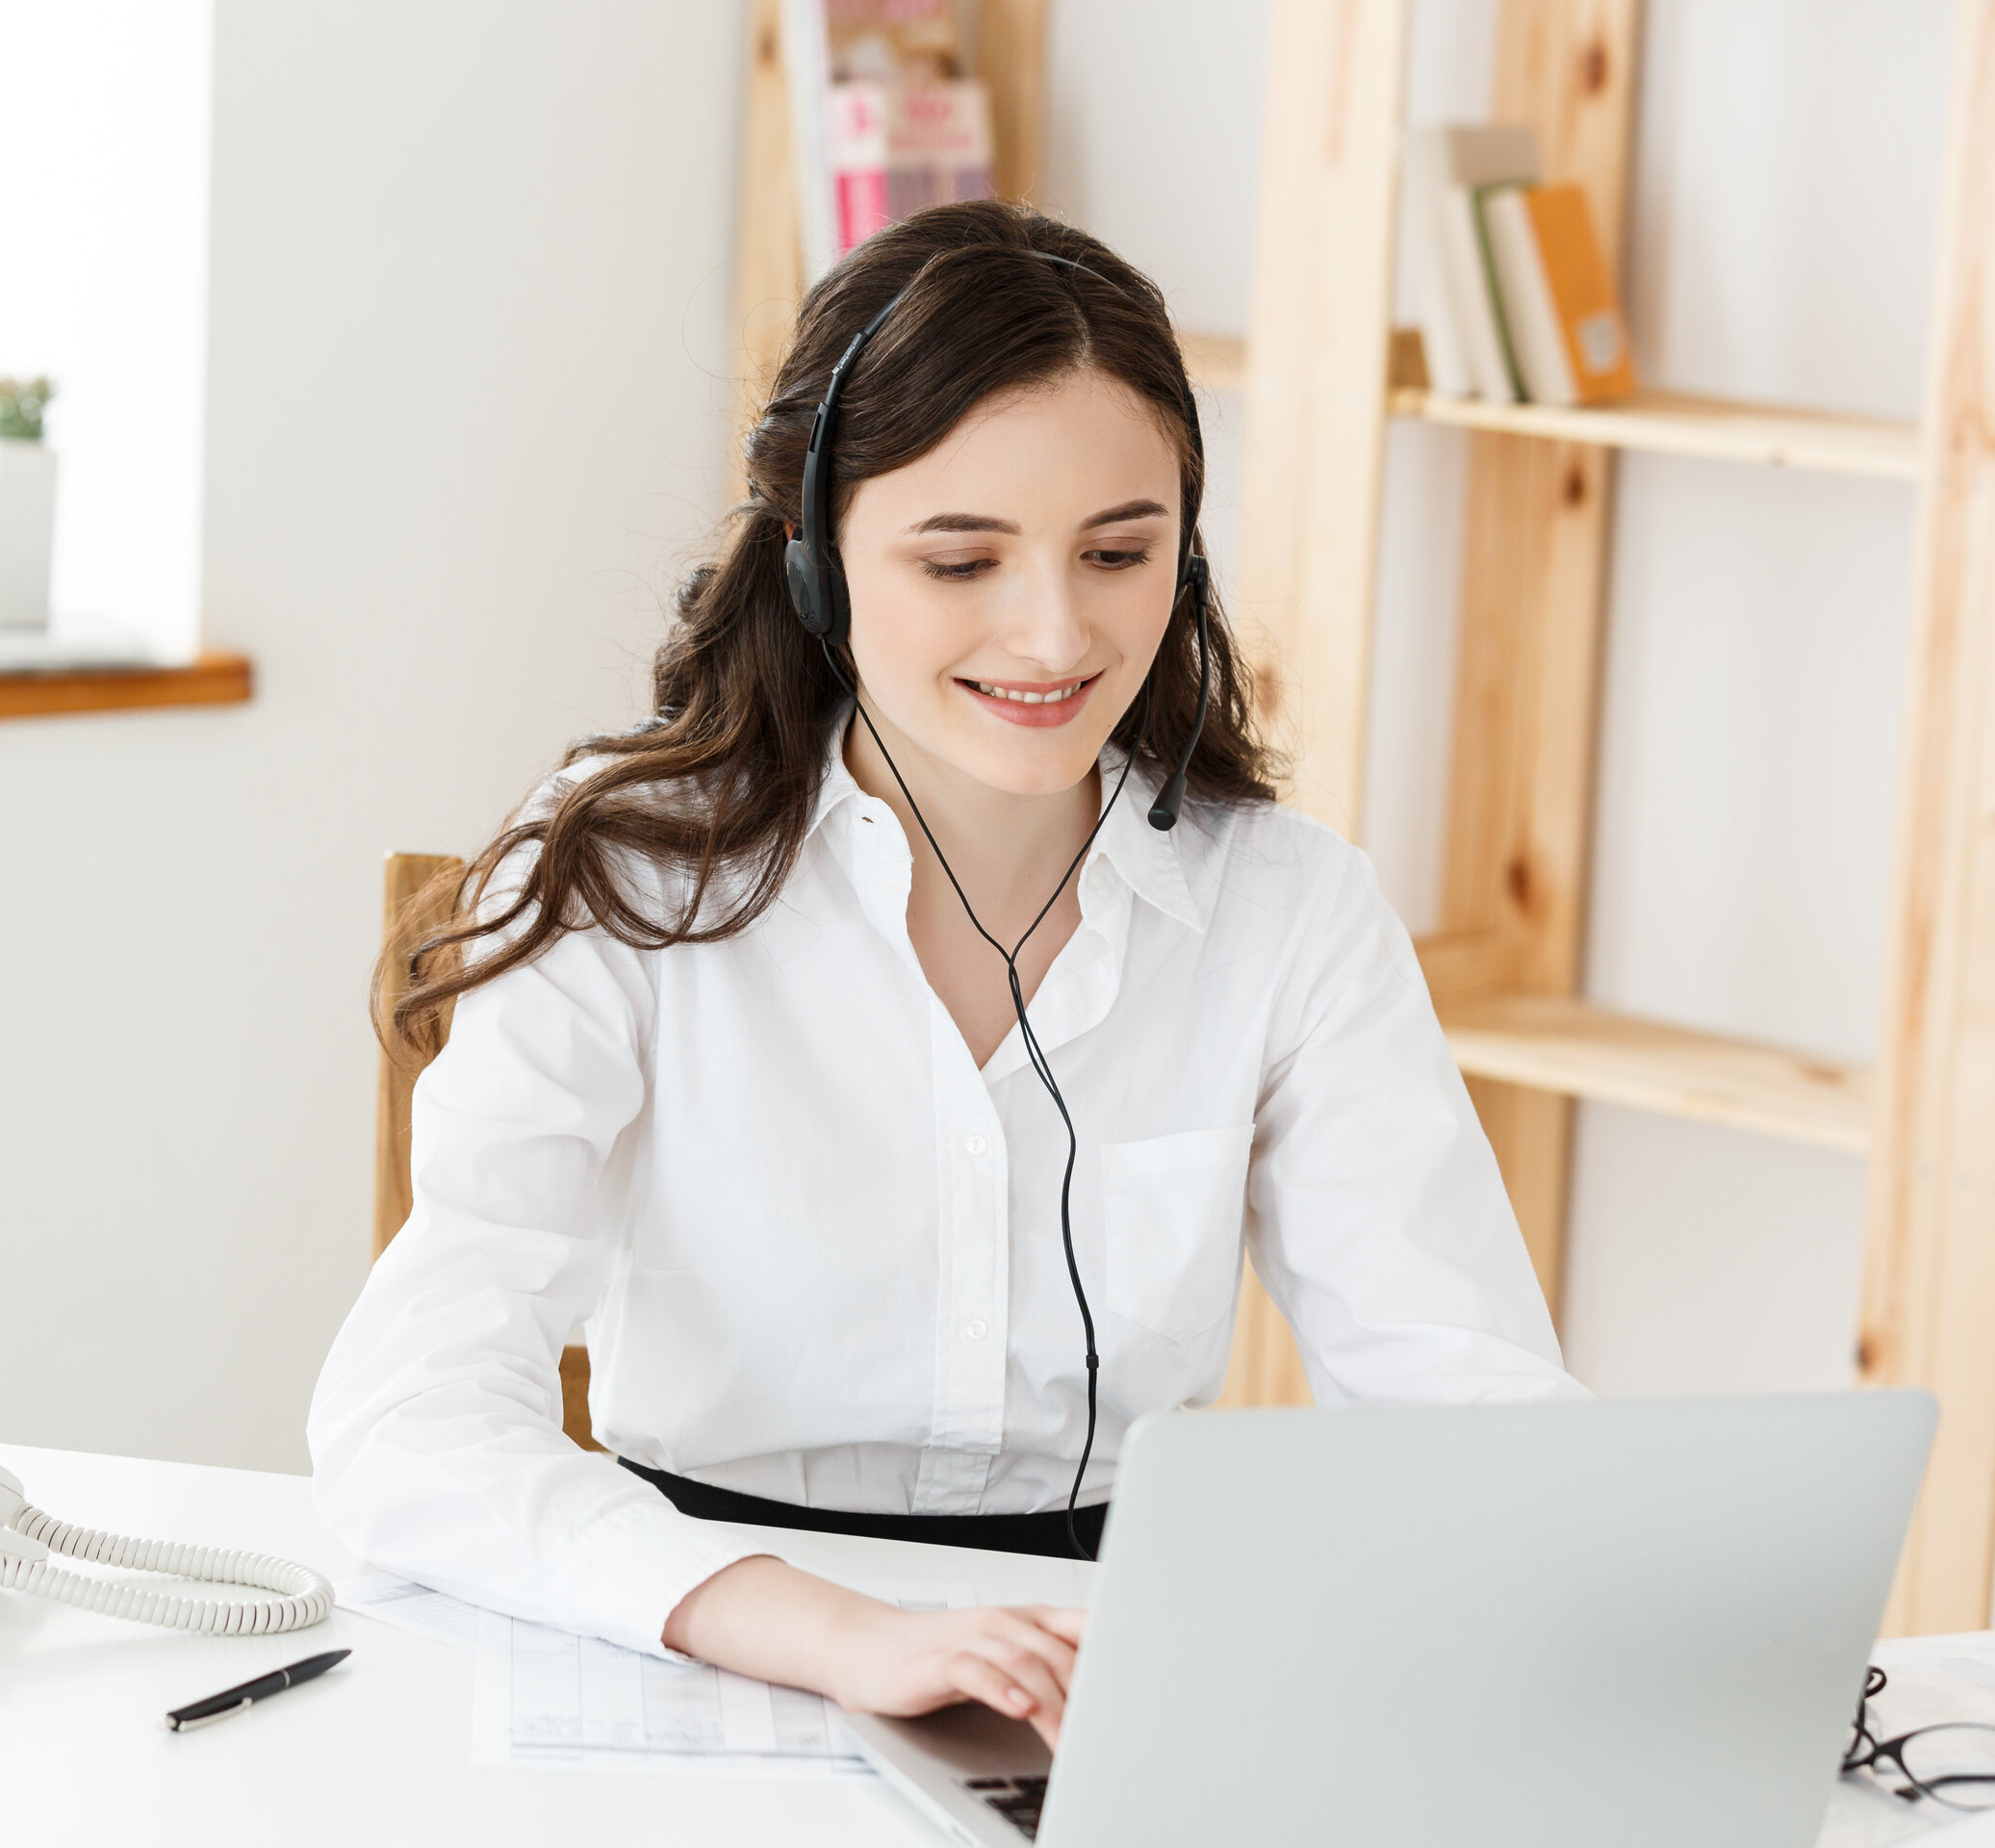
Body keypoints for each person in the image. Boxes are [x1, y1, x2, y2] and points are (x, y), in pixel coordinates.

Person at [310, 200, 1581, 1748]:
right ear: (815, 557)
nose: (1054, 634)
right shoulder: (630, 881)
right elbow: (406, 1426)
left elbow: (1470, 1411)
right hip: (697, 1655)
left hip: (1099, 1695)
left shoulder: (1288, 908)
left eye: (1121, 551)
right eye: (960, 558)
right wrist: (839, 1636)